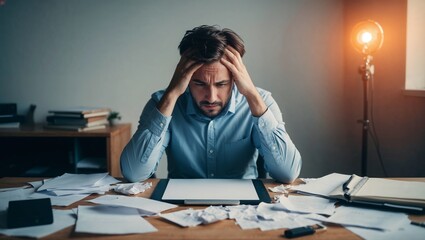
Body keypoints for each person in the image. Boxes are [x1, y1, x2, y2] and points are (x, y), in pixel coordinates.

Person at [120, 25, 301, 183]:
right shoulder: (163, 103)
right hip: (179, 211)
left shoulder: (261, 102)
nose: (211, 97)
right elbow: (134, 173)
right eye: (199, 83)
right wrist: (172, 94)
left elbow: (288, 174)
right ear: (185, 77)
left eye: (221, 84)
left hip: (244, 211)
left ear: (236, 78)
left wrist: (251, 95)